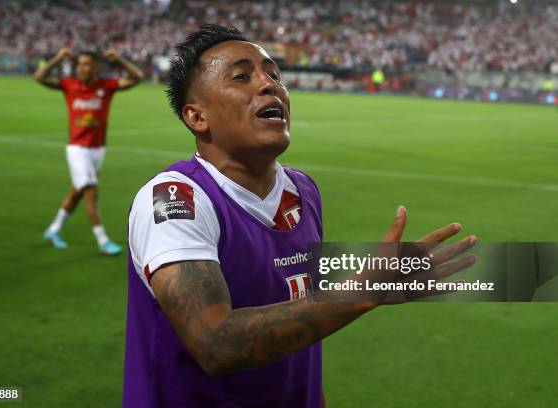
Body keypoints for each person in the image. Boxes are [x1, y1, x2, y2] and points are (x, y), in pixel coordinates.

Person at [123, 25, 476, 407]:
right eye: (242, 76)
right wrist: (363, 288)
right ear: (197, 117)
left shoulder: (302, 191)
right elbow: (216, 344)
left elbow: (304, 339)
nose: (269, 84)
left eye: (274, 74)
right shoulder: (177, 199)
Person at [34, 48, 144, 255]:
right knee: (91, 191)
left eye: (86, 64)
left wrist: (120, 58)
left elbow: (137, 77)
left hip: (97, 149)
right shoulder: (69, 84)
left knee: (77, 192)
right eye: (79, 64)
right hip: (77, 148)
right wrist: (57, 58)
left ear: (96, 67)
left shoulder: (106, 86)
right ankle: (102, 241)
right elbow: (39, 76)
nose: (81, 68)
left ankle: (54, 229)